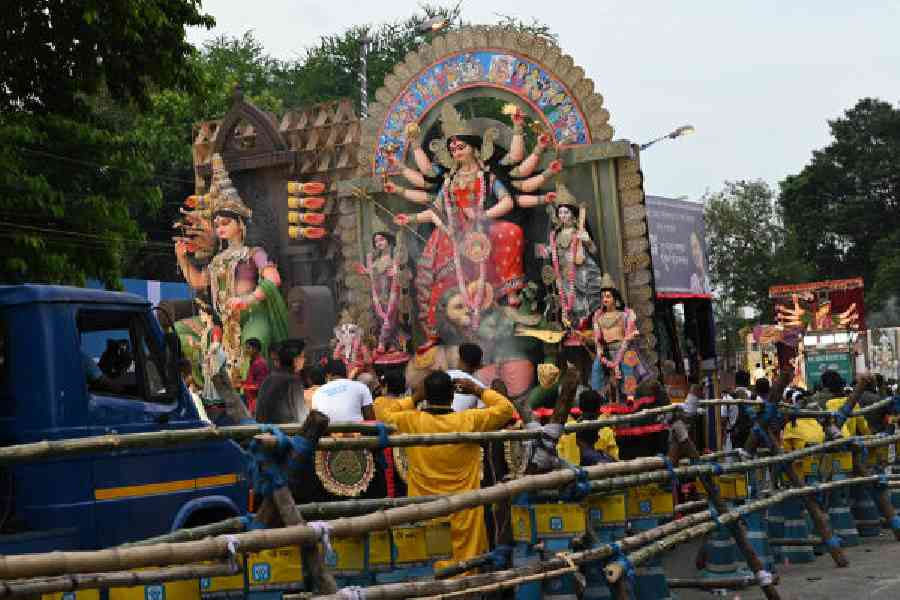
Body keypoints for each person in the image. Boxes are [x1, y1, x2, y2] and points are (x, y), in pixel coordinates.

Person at [377, 371, 515, 566]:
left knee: (433, 567)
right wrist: (477, 390)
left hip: (427, 511)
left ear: (426, 395)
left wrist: (415, 397)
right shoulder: (469, 421)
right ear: (452, 396)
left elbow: (381, 410)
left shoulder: (411, 421)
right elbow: (506, 408)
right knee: (468, 569)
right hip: (465, 512)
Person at [255, 339, 307, 424]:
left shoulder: (269, 378)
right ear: (295, 359)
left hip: (263, 432)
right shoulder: (293, 381)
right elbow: (302, 417)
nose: (304, 360)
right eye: (302, 356)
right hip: (283, 434)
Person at [311, 358, 376, 422]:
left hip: (329, 431)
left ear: (328, 375)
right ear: (346, 373)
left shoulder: (318, 392)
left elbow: (317, 420)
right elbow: (370, 419)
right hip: (356, 430)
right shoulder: (361, 386)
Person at [446, 342, 486, 412]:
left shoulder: (444, 376)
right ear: (479, 364)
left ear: (459, 359)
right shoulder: (480, 387)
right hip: (462, 421)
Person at [722, 370, 753, 450]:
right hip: (751, 437)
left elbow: (723, 419)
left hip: (733, 436)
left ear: (735, 382)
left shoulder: (727, 397)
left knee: (733, 461)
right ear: (748, 382)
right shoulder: (754, 397)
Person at [242, 338, 269, 415]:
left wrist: (244, 385)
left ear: (256, 349)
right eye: (245, 348)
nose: (246, 351)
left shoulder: (259, 363)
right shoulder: (253, 362)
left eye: (248, 348)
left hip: (256, 402)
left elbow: (261, 385)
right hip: (251, 401)